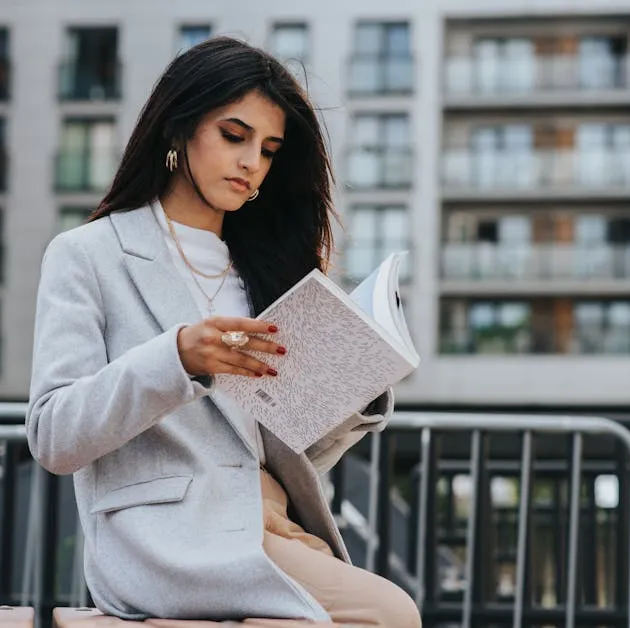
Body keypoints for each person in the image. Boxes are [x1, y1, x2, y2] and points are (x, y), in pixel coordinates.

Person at [26, 37, 421, 628]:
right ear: (178, 129)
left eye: (268, 149)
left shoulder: (267, 272)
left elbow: (286, 449)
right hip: (164, 540)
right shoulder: (88, 255)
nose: (251, 163)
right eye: (234, 136)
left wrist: (351, 390)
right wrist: (178, 358)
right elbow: (54, 436)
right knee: (390, 613)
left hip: (268, 523)